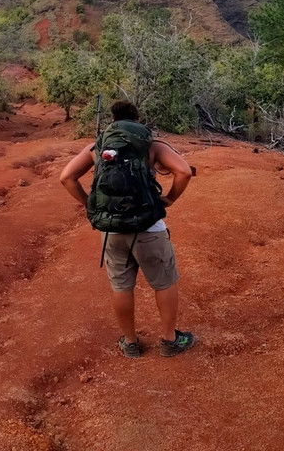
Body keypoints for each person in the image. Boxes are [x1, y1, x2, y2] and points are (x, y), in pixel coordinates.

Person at [58, 100, 196, 358]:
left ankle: (130, 343)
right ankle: (169, 341)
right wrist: (170, 199)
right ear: (137, 119)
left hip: (111, 229)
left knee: (122, 286)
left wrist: (91, 206)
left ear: (113, 119)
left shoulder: (97, 147)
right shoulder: (151, 145)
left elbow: (66, 177)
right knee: (163, 282)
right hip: (148, 226)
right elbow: (184, 172)